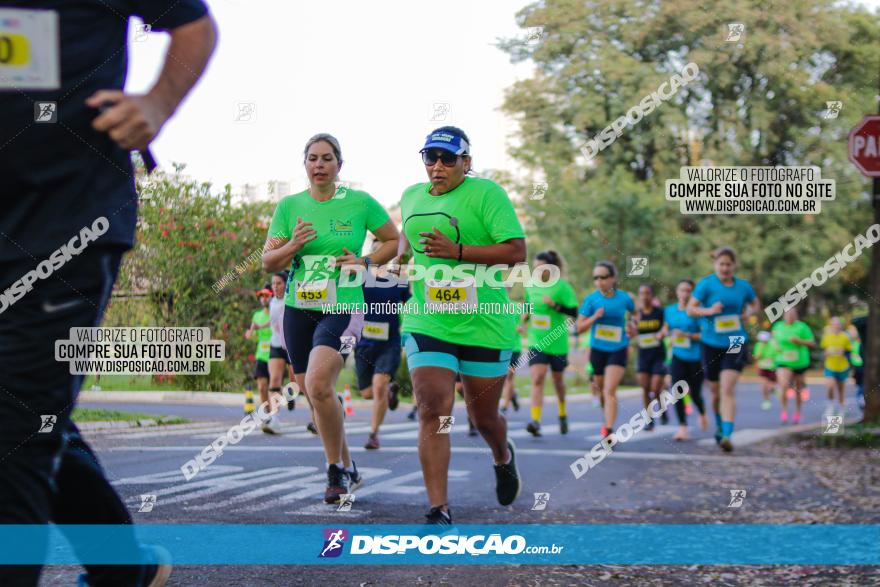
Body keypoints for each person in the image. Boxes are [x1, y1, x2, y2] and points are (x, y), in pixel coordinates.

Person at [0, 3, 215, 586]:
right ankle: (121, 568)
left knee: (13, 438)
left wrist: (157, 103)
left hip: (66, 220)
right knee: (30, 416)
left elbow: (193, 23)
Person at [395, 126, 526, 525]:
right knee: (433, 407)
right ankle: (439, 507)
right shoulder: (411, 197)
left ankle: (502, 456)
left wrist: (459, 252)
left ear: (466, 163)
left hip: (484, 323)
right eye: (430, 157)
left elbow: (516, 252)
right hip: (428, 318)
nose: (437, 166)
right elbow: (408, 234)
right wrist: (400, 257)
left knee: (483, 417)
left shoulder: (487, 194)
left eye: (448, 158)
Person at [263, 133, 399, 504]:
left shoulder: (359, 202)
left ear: (340, 165)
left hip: (344, 304)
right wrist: (294, 245)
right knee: (314, 390)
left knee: (320, 383)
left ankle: (334, 469)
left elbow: (394, 241)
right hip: (299, 306)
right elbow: (268, 261)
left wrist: (366, 261)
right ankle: (350, 466)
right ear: (304, 164)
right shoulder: (289, 207)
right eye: (312, 158)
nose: (319, 165)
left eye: (326, 158)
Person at [687, 247, 760, 452]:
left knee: (727, 388)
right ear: (715, 265)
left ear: (734, 265)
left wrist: (749, 312)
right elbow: (690, 309)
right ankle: (720, 424)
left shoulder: (743, 286)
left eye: (729, 264)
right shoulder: (706, 284)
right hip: (710, 341)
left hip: (736, 339)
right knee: (715, 391)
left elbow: (755, 304)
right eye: (721, 264)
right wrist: (709, 310)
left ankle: (727, 434)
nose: (725, 268)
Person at [355, 242, 410, 449]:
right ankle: (390, 391)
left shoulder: (398, 281)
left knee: (378, 386)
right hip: (364, 345)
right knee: (368, 393)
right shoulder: (360, 280)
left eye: (384, 251)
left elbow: (412, 304)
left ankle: (373, 434)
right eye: (375, 250)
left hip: (389, 344)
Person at [576, 261, 636, 440]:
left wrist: (633, 327)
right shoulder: (591, 300)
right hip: (598, 350)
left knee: (610, 390)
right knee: (602, 390)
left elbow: (635, 316)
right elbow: (579, 328)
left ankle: (609, 430)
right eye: (596, 278)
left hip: (618, 348)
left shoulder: (624, 298)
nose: (599, 281)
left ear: (613, 278)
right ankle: (607, 421)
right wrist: (595, 317)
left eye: (603, 277)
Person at [523, 251, 579, 436]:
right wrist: (524, 318)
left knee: (557, 381)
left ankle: (562, 413)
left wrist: (555, 305)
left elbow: (574, 313)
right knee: (537, 378)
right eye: (535, 267)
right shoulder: (530, 285)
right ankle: (535, 421)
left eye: (541, 267)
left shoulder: (562, 287)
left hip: (557, 343)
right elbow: (528, 305)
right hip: (536, 342)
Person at [662, 279, 706, 441]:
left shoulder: (698, 311)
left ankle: (701, 412)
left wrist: (687, 335)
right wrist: (665, 333)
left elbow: (706, 334)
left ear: (692, 293)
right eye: (682, 290)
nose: (685, 293)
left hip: (696, 357)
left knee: (695, 393)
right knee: (677, 392)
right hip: (677, 356)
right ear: (677, 292)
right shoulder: (670, 310)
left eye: (688, 290)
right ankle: (682, 427)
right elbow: (666, 328)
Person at [772, 307, 814, 425]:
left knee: (798, 389)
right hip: (783, 361)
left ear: (796, 315)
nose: (790, 316)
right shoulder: (778, 326)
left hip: (800, 362)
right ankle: (784, 411)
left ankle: (797, 412)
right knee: (783, 386)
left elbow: (811, 343)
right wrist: (776, 346)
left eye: (792, 314)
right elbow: (774, 338)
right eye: (787, 314)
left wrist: (799, 341)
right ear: (784, 316)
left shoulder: (802, 327)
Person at [634, 284, 667, 431]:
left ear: (651, 296)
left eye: (647, 293)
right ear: (639, 296)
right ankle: (649, 419)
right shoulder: (637, 314)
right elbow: (631, 330)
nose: (644, 296)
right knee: (645, 388)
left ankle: (662, 408)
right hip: (643, 355)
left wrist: (662, 333)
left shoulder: (660, 312)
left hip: (658, 355)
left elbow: (667, 325)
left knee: (655, 388)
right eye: (642, 293)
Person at [245, 285, 273, 429]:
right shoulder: (257, 316)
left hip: (276, 355)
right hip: (261, 355)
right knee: (262, 387)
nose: (263, 299)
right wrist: (250, 334)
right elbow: (253, 334)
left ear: (272, 296)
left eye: (266, 295)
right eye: (261, 296)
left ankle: (274, 413)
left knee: (274, 388)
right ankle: (267, 415)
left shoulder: (277, 312)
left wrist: (259, 328)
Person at [821, 317, 851, 417]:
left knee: (840, 389)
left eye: (838, 324)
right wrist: (827, 353)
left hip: (842, 367)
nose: (836, 326)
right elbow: (824, 352)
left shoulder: (845, 337)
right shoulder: (827, 337)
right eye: (834, 324)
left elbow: (849, 352)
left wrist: (844, 352)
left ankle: (842, 409)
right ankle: (830, 408)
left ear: (840, 326)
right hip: (830, 366)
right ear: (831, 326)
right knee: (830, 386)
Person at [753, 330, 779, 411]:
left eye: (765, 340)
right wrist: (761, 351)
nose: (764, 341)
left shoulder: (773, 344)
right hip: (763, 367)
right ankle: (766, 401)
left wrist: (772, 359)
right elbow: (756, 357)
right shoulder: (759, 345)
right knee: (764, 385)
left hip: (773, 367)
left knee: (772, 384)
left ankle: (774, 389)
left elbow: (778, 354)